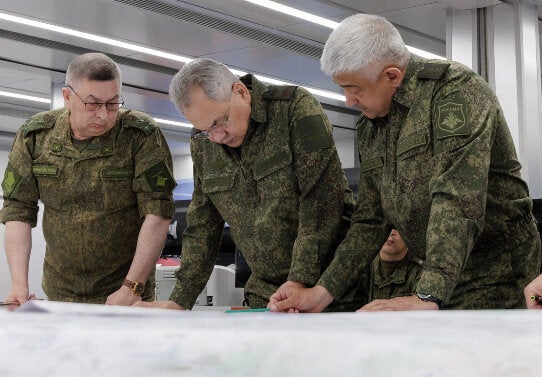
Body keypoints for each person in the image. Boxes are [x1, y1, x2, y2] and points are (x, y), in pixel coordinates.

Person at [268, 13, 541, 312]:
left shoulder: (454, 92)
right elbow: (371, 219)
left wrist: (427, 296)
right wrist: (323, 291)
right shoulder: (371, 127)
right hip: (441, 276)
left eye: (354, 89)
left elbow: (457, 196)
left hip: (500, 273)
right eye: (342, 88)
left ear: (392, 76)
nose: (348, 101)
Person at [135, 58, 363, 311]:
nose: (217, 137)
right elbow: (203, 224)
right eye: (205, 130)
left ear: (241, 92)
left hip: (330, 287)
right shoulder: (203, 142)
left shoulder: (293, 109)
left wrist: (299, 279)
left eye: (219, 122)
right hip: (266, 294)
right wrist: (180, 300)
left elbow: (321, 202)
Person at [0, 52, 176, 305]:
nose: (103, 115)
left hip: (125, 293)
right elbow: (17, 211)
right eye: (92, 104)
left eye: (113, 103)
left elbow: (158, 213)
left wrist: (132, 287)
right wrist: (19, 283)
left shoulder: (140, 135)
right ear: (67, 97)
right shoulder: (35, 136)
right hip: (61, 291)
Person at [365, 228, 422, 305]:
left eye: (397, 228)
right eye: (387, 226)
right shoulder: (362, 265)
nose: (391, 232)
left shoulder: (421, 270)